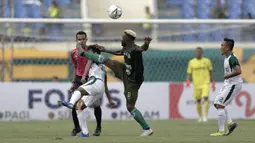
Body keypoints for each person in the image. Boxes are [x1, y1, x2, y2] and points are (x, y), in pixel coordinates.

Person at [76, 29, 153, 136]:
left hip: (133, 82)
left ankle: (147, 129)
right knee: (107, 60)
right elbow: (119, 52)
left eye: (123, 37)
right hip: (125, 72)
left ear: (129, 39)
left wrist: (146, 44)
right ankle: (83, 53)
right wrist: (105, 49)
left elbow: (142, 49)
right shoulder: (127, 48)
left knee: (130, 107)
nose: (121, 38)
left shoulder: (134, 49)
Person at [59, 45, 116, 137]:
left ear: (94, 53)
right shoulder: (102, 67)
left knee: (78, 90)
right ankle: (85, 132)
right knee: (79, 107)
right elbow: (105, 86)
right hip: (99, 88)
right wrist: (110, 100)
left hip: (95, 82)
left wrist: (84, 75)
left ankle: (70, 103)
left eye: (89, 52)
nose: (88, 55)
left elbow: (89, 61)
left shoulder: (93, 58)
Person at [69, 31, 103, 136]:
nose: (81, 41)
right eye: (79, 39)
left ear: (86, 39)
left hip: (90, 77)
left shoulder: (91, 50)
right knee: (75, 104)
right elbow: (76, 67)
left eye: (83, 39)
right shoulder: (74, 53)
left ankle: (98, 127)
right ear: (76, 40)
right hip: (79, 78)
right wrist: (74, 82)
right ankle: (77, 127)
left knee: (96, 104)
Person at [210, 38, 242, 136]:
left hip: (233, 84)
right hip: (228, 84)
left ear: (227, 48)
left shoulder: (232, 58)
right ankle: (231, 123)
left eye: (222, 45)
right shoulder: (227, 57)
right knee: (217, 103)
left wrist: (227, 76)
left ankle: (221, 131)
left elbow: (238, 71)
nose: (221, 47)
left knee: (220, 104)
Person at [186, 47, 215, 122]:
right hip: (196, 84)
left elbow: (211, 72)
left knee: (205, 98)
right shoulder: (192, 62)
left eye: (199, 52)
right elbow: (189, 73)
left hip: (205, 83)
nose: (198, 53)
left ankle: (205, 116)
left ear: (202, 53)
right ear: (195, 53)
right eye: (196, 52)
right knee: (198, 100)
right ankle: (200, 117)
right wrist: (188, 81)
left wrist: (213, 83)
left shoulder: (207, 61)